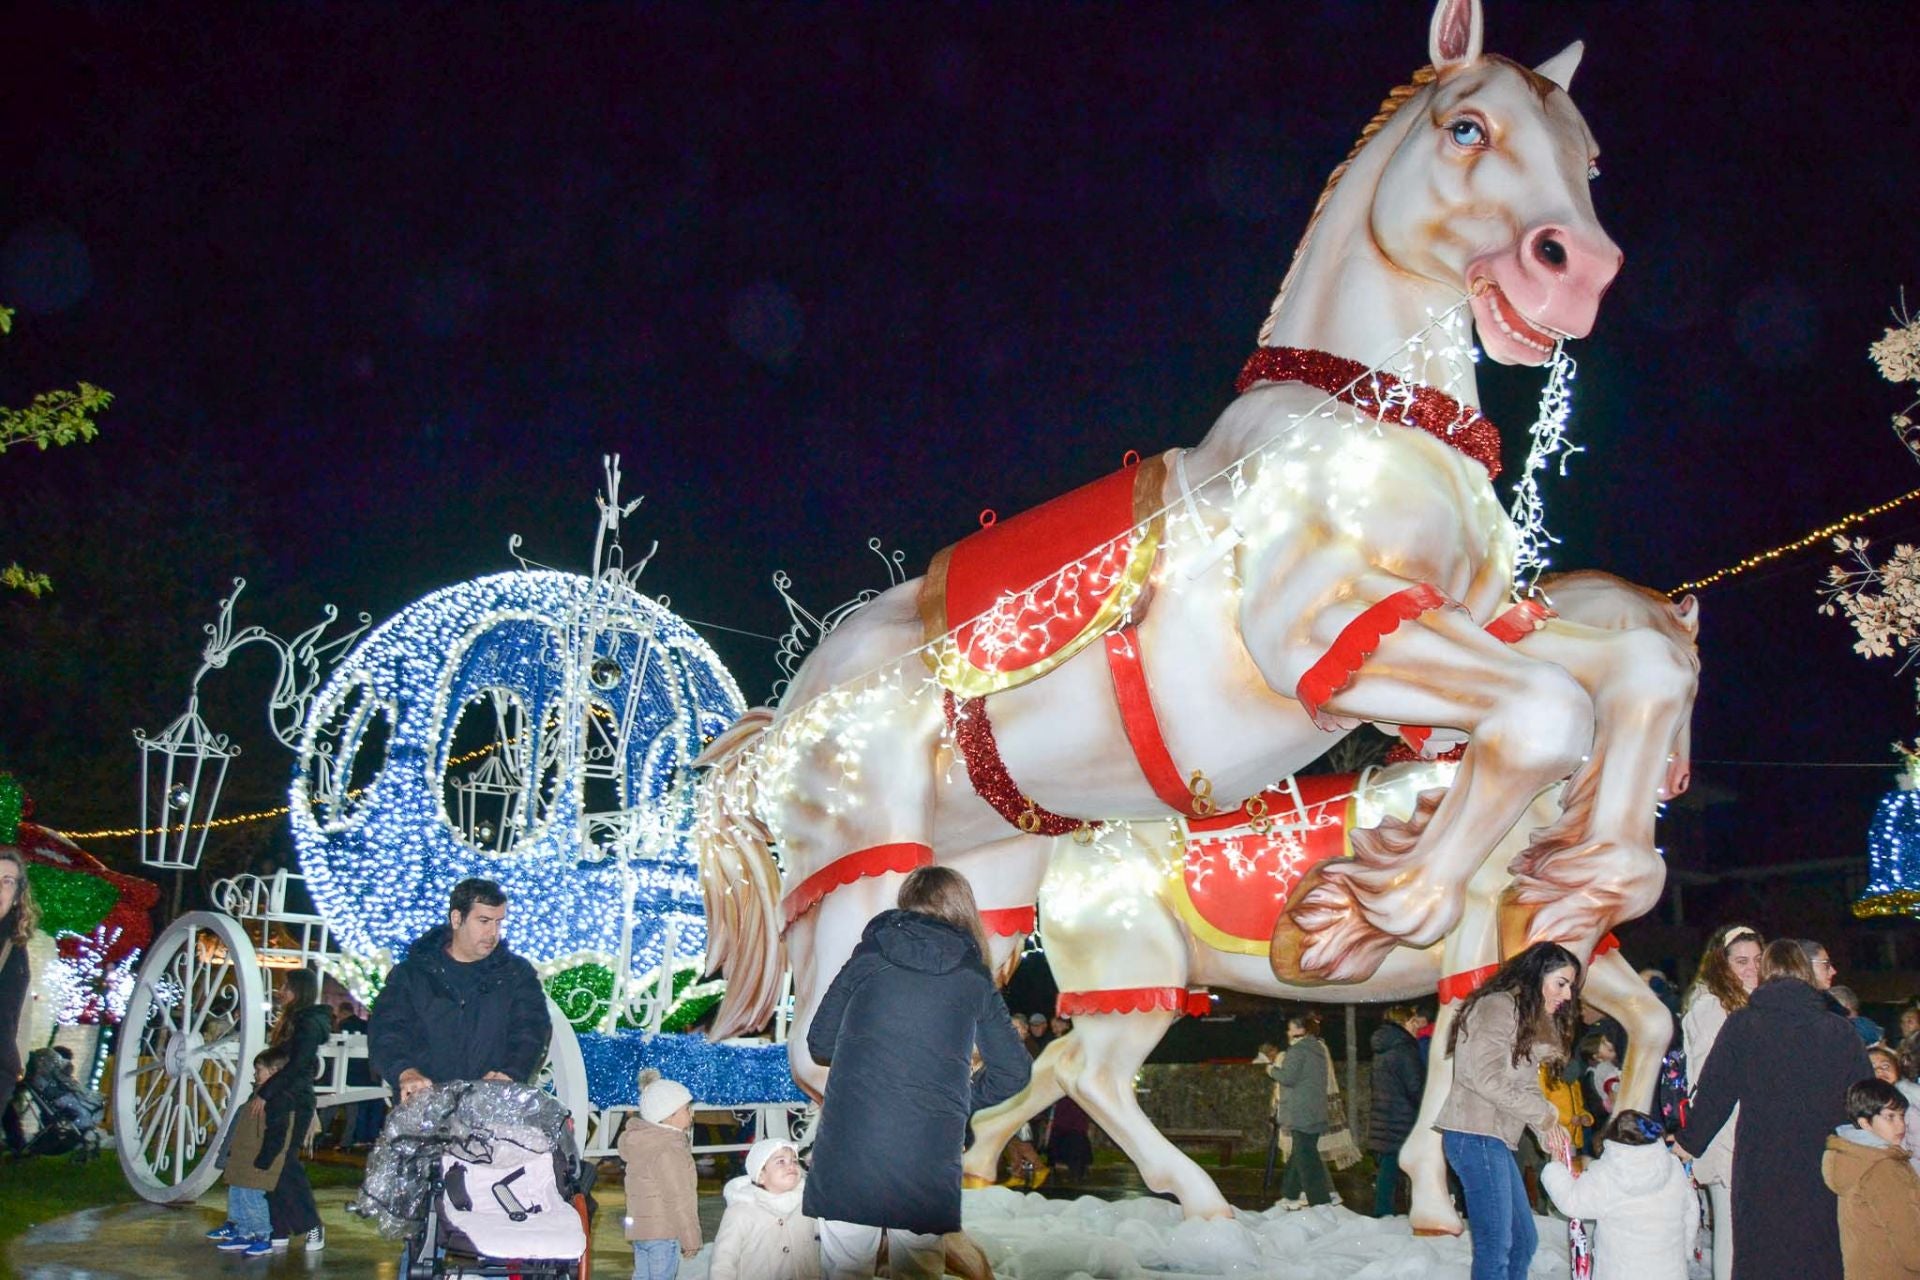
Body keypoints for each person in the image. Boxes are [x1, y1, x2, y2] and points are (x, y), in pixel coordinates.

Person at [803, 866, 1029, 1280]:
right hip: (928, 1154)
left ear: (907, 902)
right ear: (962, 910)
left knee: (844, 1269)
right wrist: (960, 1103)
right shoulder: (972, 977)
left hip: (849, 1150)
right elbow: (1013, 1071)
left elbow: (819, 1044)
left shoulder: (868, 958)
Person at [1678, 939, 1872, 1280]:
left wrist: (1688, 1143)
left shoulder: (1742, 1025)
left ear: (1766, 973)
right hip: (1822, 1161)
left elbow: (1715, 1093)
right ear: (1804, 972)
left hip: (1761, 1161)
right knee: (1820, 1251)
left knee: (1762, 1254)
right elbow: (1862, 1100)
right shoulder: (1839, 1030)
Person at [1434, 940, 1580, 1280]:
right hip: (1474, 1135)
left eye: (1571, 986)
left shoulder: (1523, 1017)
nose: (1568, 995)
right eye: (1562, 983)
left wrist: (1548, 1129)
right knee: (1496, 1245)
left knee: (1523, 1242)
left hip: (1494, 1139)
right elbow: (1485, 1078)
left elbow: (1524, 1083)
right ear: (1536, 975)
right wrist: (1543, 1115)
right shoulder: (1496, 1007)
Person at [368, 878, 550, 1101]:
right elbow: (387, 1030)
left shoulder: (516, 974)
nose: (493, 932)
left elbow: (530, 1030)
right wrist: (405, 1071)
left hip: (491, 1106)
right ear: (457, 918)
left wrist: (510, 1073)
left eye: (498, 922)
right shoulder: (412, 975)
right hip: (424, 1104)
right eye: (483, 921)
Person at [1680, 922, 1763, 1280]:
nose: (1752, 969)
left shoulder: (1745, 1004)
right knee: (1733, 1233)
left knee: (1748, 1233)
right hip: (1726, 1136)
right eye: (1742, 961)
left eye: (1759, 960)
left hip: (1746, 1134)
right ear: (1721, 964)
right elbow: (1709, 1082)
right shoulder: (1713, 1006)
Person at [1540, 1109, 1697, 1280]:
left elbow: (1572, 1201)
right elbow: (1691, 1210)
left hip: (1621, 1272)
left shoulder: (1606, 1175)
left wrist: (1556, 1166)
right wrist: (1686, 1250)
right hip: (1671, 1272)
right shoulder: (1673, 1167)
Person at [252, 967, 332, 1251]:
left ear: (298, 990)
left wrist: (266, 1091)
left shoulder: (307, 1024)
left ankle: (310, 1225)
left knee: (285, 1162)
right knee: (273, 1161)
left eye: (285, 985)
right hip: (283, 1097)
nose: (280, 990)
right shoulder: (294, 1021)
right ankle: (280, 1227)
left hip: (293, 1099)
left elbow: (298, 1064)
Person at [1823, 1079, 1920, 1279]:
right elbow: (1912, 1248)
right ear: (1864, 1122)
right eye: (1890, 1117)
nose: (1900, 1124)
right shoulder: (1881, 1167)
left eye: (1901, 1116)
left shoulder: (1856, 1158)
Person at [206, 1045, 296, 1258]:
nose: (255, 1074)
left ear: (274, 1072)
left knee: (253, 1199)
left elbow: (277, 1134)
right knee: (239, 1194)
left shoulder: (280, 1100)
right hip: (245, 1158)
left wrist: (265, 1159)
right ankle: (244, 1232)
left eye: (259, 1070)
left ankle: (262, 1235)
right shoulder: (258, 1096)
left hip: (259, 1161)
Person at [620, 1074, 702, 1278]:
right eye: (686, 1109)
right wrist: (690, 1238)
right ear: (669, 1115)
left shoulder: (643, 1143)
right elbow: (679, 1198)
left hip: (641, 1232)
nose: (692, 1113)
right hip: (664, 1233)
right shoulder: (669, 1149)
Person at [709, 1138, 821, 1280]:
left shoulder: (807, 1204)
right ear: (761, 1176)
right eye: (781, 1161)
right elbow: (724, 1261)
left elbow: (831, 1232)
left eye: (794, 1161)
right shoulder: (741, 1212)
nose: (791, 1166)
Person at [1367, 1005, 1426, 1218]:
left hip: (1386, 1113)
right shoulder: (1404, 1048)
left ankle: (1384, 1211)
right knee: (1403, 1164)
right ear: (1403, 1023)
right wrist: (1426, 1107)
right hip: (1403, 1115)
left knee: (1389, 1165)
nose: (1416, 1027)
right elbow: (1415, 1085)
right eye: (1412, 1022)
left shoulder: (1384, 1048)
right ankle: (1386, 1212)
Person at [1271, 1012, 1334, 1209]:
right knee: (1301, 1152)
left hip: (1301, 1112)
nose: (1287, 1032)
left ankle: (1321, 1201)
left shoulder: (1297, 1051)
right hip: (1315, 1110)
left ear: (1300, 1030)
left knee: (1307, 1158)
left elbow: (1288, 1077)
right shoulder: (1318, 1049)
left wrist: (1271, 1070)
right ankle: (1289, 1194)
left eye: (1290, 1027)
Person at [0, 847, 38, 1141]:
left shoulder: (17, 945)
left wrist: (17, 1064)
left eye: (7, 881)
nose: (0, 887)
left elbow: (21, 1012)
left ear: (17, 894)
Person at [1870, 1046, 1920, 1171]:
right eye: (1872, 1067)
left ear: (1897, 1070)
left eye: (1885, 1066)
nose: (1880, 1070)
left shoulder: (1911, 1099)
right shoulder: (1864, 1107)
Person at [1583, 1031, 1621, 1120]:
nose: (1609, 1043)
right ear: (1597, 1056)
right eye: (1603, 1043)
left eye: (1607, 1040)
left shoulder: (1606, 1066)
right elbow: (1611, 1084)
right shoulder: (1603, 1067)